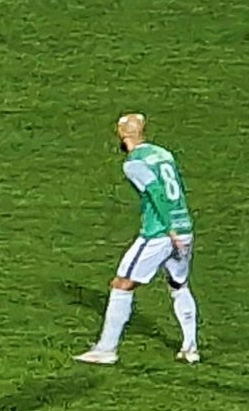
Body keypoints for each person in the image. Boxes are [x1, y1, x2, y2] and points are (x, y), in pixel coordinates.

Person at [76, 113, 199, 365]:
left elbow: (156, 192)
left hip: (159, 233)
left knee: (122, 283)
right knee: (178, 285)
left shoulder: (134, 163)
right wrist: (178, 226)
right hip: (184, 226)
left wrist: (169, 227)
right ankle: (190, 347)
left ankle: (106, 349)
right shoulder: (163, 154)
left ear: (123, 134)